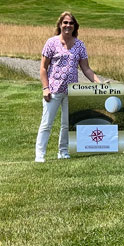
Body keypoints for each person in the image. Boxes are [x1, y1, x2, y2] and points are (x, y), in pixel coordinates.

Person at [35, 12, 101, 162]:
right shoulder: (51, 42)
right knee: (46, 123)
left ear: (75, 26)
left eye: (71, 23)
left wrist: (99, 83)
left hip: (71, 91)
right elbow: (43, 68)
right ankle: (40, 155)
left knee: (66, 124)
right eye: (65, 23)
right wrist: (45, 88)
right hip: (53, 90)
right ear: (60, 25)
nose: (68, 26)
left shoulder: (79, 45)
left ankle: (63, 152)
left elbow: (86, 68)